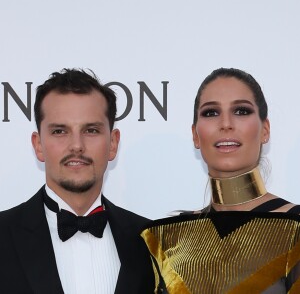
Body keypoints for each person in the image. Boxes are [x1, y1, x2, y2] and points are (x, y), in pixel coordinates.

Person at [141, 68, 300, 293]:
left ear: (265, 130)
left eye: (241, 110)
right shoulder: (165, 239)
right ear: (196, 135)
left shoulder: (296, 228)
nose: (225, 123)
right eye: (211, 113)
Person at [0, 68, 154, 294]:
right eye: (60, 131)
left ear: (113, 143)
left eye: (91, 130)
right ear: (38, 145)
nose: (76, 145)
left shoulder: (152, 242)